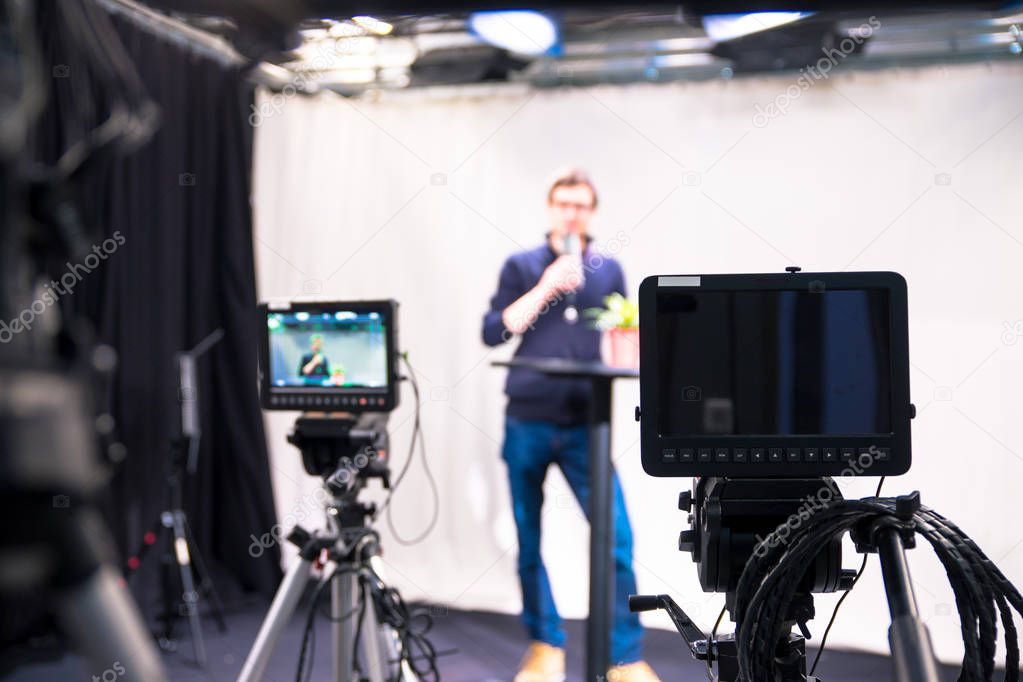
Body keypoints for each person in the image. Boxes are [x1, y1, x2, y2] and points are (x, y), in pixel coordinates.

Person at [481, 169, 659, 682]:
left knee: (617, 539)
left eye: (581, 205)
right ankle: (545, 646)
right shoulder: (521, 265)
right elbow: (494, 331)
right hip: (527, 421)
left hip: (586, 424)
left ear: (592, 213)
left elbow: (624, 331)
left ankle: (624, 657)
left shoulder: (608, 269)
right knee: (528, 537)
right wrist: (546, 285)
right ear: (550, 208)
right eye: (563, 204)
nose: (571, 213)